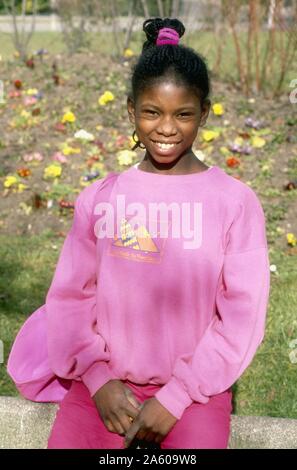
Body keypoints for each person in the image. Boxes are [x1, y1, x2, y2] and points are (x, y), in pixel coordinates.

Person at [8, 17, 270, 450]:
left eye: (183, 114)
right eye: (152, 112)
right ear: (132, 111)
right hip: (103, 391)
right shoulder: (101, 198)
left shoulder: (235, 203)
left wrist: (176, 397)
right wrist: (97, 380)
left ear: (204, 113)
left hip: (194, 397)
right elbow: (71, 298)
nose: (166, 128)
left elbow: (241, 319)